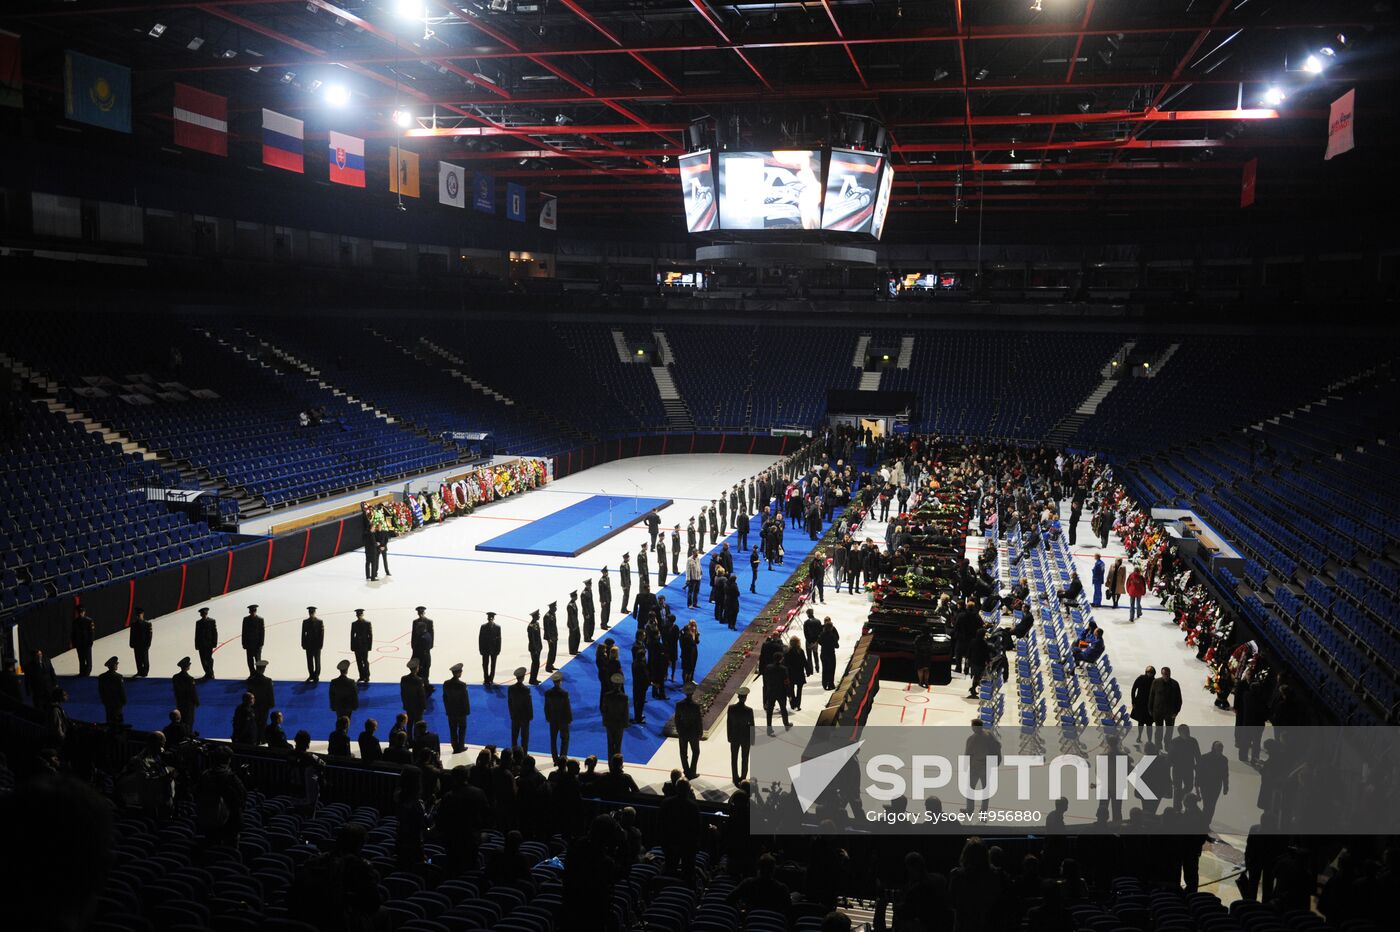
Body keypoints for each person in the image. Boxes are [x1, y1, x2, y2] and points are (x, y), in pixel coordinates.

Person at [674, 683, 703, 780]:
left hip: (683, 732)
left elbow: (677, 719)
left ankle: (686, 771)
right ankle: (692, 771)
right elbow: (699, 721)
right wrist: (700, 732)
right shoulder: (695, 706)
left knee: (683, 753)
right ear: (693, 693)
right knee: (696, 751)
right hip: (693, 733)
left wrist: (679, 730)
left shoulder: (679, 705)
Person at [1197, 740, 1230, 824]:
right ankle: (1204, 823)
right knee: (1207, 805)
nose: (1220, 751)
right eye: (1218, 749)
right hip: (1205, 785)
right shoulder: (1205, 758)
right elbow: (1199, 772)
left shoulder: (1224, 760)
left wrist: (1226, 787)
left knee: (1212, 805)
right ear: (1214, 748)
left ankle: (1206, 822)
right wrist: (1197, 786)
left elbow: (1225, 774)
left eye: (1221, 749)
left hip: (1216, 786)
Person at [728, 686, 755, 783]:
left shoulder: (731, 708)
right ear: (746, 697)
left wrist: (729, 737)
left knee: (734, 758)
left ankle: (735, 777)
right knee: (745, 758)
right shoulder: (749, 710)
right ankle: (743, 777)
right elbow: (752, 725)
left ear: (738, 697)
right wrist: (752, 739)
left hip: (734, 737)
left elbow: (729, 723)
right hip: (745, 738)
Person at [441, 663, 470, 754]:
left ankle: (455, 746)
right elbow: (465, 700)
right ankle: (461, 746)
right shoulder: (462, 685)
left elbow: (445, 698)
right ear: (458, 673)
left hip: (451, 711)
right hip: (461, 712)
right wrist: (467, 711)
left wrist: (447, 710)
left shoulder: (446, 683)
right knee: (462, 728)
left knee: (452, 729)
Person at [544, 671, 572, 764]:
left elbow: (546, 707)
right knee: (565, 739)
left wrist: (548, 717)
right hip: (563, 720)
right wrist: (569, 719)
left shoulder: (548, 693)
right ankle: (563, 758)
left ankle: (555, 759)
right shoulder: (564, 693)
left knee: (553, 739)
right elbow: (567, 708)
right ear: (560, 682)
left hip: (553, 719)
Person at [1149, 667, 1183, 745]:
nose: (1166, 676)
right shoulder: (1156, 682)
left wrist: (1176, 712)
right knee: (1159, 730)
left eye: (1168, 674)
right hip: (1158, 712)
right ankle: (1158, 744)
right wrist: (1150, 710)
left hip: (1170, 713)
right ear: (1162, 674)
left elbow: (1179, 699)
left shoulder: (1175, 684)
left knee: (1169, 730)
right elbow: (1151, 696)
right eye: (1165, 674)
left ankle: (1167, 744)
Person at [602, 672, 629, 760]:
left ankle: (610, 763)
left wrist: (605, 722)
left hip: (609, 724)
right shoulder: (624, 697)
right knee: (618, 745)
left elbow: (604, 710)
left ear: (612, 684)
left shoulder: (607, 696)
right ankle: (617, 763)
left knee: (610, 744)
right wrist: (625, 724)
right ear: (621, 685)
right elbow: (625, 712)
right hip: (619, 725)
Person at [762, 653, 790, 736]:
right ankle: (786, 724)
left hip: (771, 691)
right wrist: (789, 693)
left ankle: (769, 729)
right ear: (781, 659)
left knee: (769, 711)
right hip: (781, 692)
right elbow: (786, 682)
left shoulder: (768, 667)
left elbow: (766, 679)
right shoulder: (783, 669)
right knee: (783, 709)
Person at [247, 660, 275, 742]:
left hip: (254, 705)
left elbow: (249, 693)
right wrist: (271, 703)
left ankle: (255, 738)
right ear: (263, 669)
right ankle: (262, 738)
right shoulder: (268, 681)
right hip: (264, 706)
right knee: (263, 722)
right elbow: (270, 693)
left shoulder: (251, 680)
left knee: (254, 722)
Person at [172, 656, 200, 735]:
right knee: (189, 720)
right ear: (187, 667)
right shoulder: (189, 679)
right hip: (188, 703)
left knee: (181, 719)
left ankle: (181, 733)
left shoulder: (175, 677)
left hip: (180, 702)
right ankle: (188, 734)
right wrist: (196, 701)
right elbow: (192, 692)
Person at [507, 666, 533, 751]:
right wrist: (530, 716)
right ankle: (524, 753)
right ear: (523, 677)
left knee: (514, 736)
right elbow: (529, 704)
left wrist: (511, 714)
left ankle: (514, 752)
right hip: (524, 717)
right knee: (524, 737)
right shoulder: (526, 689)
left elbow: (510, 702)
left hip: (515, 716)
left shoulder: (511, 688)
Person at [410, 606, 435, 689]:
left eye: (421, 612)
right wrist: (413, 646)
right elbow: (413, 634)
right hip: (417, 648)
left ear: (424, 612)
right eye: (419, 612)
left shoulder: (429, 621)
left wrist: (430, 646)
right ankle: (418, 683)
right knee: (418, 666)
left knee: (425, 667)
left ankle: (425, 683)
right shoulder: (415, 622)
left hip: (425, 648)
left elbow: (431, 634)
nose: (420, 614)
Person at [784, 636, 811, 712]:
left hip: (791, 673)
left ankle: (793, 704)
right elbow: (804, 661)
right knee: (799, 690)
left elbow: (785, 664)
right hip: (799, 673)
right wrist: (808, 670)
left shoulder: (787, 652)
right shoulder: (800, 651)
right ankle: (798, 704)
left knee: (791, 690)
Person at [97, 656, 126, 726]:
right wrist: (124, 700)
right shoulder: (118, 677)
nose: (117, 666)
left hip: (107, 701)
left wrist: (104, 700)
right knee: (118, 719)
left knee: (109, 718)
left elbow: (101, 690)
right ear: (113, 666)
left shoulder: (102, 677)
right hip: (117, 702)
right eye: (116, 664)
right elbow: (121, 690)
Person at [1130, 665, 1156, 742]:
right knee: (1140, 722)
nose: (1149, 674)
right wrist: (1133, 701)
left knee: (1149, 724)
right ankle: (1139, 736)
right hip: (1140, 704)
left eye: (1151, 673)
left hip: (1149, 706)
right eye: (1148, 672)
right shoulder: (1141, 678)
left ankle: (1149, 740)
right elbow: (1133, 689)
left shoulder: (1155, 681)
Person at [328, 658, 358, 724]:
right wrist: (355, 706)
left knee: (339, 721)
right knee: (347, 722)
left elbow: (331, 695)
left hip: (338, 706)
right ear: (347, 671)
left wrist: (333, 706)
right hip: (348, 707)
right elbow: (355, 694)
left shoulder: (334, 682)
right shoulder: (351, 682)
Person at [301, 606, 324, 683]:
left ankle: (316, 676)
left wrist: (321, 645)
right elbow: (303, 634)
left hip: (317, 645)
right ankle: (311, 675)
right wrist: (303, 644)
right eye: (310, 612)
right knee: (309, 661)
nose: (311, 613)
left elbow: (321, 635)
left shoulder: (319, 622)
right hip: (308, 645)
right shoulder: (305, 622)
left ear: (314, 612)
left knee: (317, 661)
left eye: (312, 612)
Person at [401, 658, 427, 727]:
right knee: (418, 723)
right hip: (418, 707)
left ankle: (409, 734)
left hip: (408, 705)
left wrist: (405, 704)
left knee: (409, 723)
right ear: (416, 669)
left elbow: (403, 693)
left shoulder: (404, 679)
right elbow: (421, 695)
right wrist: (424, 706)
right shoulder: (419, 680)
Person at [194, 607, 218, 680]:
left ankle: (211, 673)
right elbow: (197, 634)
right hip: (201, 644)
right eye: (202, 614)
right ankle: (208, 673)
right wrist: (196, 645)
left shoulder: (212, 621)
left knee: (209, 659)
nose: (203, 615)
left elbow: (215, 633)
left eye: (204, 613)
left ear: (206, 613)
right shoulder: (198, 622)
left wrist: (214, 643)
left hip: (209, 644)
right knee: (203, 660)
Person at [478, 610, 501, 684]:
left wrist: (498, 650)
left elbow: (499, 639)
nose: (490, 619)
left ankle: (491, 678)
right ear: (487, 618)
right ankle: (486, 678)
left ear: (493, 618)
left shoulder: (497, 627)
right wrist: (480, 649)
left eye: (491, 618)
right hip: (485, 649)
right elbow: (480, 639)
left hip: (494, 649)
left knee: (493, 665)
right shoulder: (483, 627)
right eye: (489, 618)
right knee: (485, 664)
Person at [71, 607, 95, 677]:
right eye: (79, 612)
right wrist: (73, 642)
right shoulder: (75, 621)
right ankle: (82, 672)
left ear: (84, 612)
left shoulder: (89, 621)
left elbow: (91, 633)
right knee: (81, 659)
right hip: (79, 644)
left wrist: (91, 642)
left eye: (81, 612)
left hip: (86, 643)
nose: (80, 614)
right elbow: (73, 633)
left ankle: (87, 673)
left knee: (87, 659)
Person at [241, 604, 264, 676]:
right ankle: (252, 673)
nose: (252, 613)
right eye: (251, 611)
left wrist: (261, 643)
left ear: (255, 611)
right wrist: (243, 643)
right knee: (250, 661)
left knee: (258, 660)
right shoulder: (246, 619)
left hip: (257, 644)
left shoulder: (260, 620)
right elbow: (244, 632)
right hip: (249, 644)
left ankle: (258, 674)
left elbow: (262, 633)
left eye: (253, 611)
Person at [129, 607, 153, 678]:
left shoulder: (147, 624)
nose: (138, 616)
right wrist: (131, 643)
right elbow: (132, 634)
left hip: (144, 645)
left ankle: (145, 672)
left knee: (145, 659)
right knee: (138, 659)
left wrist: (148, 644)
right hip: (136, 645)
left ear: (143, 614)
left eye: (140, 614)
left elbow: (149, 635)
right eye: (137, 615)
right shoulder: (133, 624)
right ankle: (139, 671)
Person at [819, 617, 840, 689]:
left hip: (823, 653)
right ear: (831, 628)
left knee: (825, 669)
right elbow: (837, 646)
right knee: (831, 669)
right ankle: (831, 684)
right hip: (831, 654)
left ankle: (824, 684)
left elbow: (819, 642)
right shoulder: (832, 636)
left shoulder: (822, 634)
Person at [543, 601, 559, 673]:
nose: (556, 608)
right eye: (554, 607)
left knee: (554, 651)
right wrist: (549, 639)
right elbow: (546, 629)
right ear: (551, 608)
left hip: (554, 635)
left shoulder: (553, 614)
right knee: (551, 651)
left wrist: (556, 635)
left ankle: (551, 664)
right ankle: (548, 666)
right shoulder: (547, 616)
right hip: (550, 637)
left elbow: (554, 626)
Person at [581, 579, 596, 643]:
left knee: (592, 623)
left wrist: (593, 609)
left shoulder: (590, 591)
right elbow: (584, 605)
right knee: (587, 625)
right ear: (586, 585)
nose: (590, 586)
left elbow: (591, 602)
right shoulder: (583, 593)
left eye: (590, 585)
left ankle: (590, 636)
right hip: (587, 612)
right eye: (588, 585)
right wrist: (586, 613)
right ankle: (586, 637)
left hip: (591, 610)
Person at [598, 566, 612, 630]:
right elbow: (601, 592)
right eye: (605, 572)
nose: (606, 573)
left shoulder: (607, 578)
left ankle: (606, 623)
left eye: (607, 572)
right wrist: (602, 601)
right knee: (604, 612)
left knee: (608, 612)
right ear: (603, 573)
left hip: (608, 598)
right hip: (604, 599)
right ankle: (603, 625)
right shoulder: (601, 581)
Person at [619, 552, 632, 617]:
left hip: (627, 583)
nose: (629, 558)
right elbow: (623, 576)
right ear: (625, 558)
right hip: (625, 584)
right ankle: (623, 609)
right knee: (625, 596)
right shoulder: (623, 566)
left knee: (627, 596)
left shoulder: (627, 564)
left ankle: (625, 608)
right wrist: (624, 585)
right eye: (627, 557)